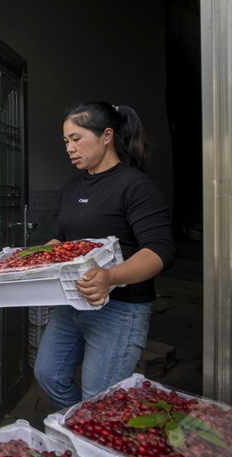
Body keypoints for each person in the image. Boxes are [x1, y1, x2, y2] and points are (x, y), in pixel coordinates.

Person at [34, 101, 176, 409]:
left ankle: (92, 437)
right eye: (66, 141)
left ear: (107, 135)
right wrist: (40, 255)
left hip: (121, 310)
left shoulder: (135, 186)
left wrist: (111, 276)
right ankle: (83, 428)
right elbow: (65, 236)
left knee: (99, 399)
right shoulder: (71, 186)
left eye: (76, 138)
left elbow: (161, 250)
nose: (70, 148)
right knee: (48, 374)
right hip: (73, 301)